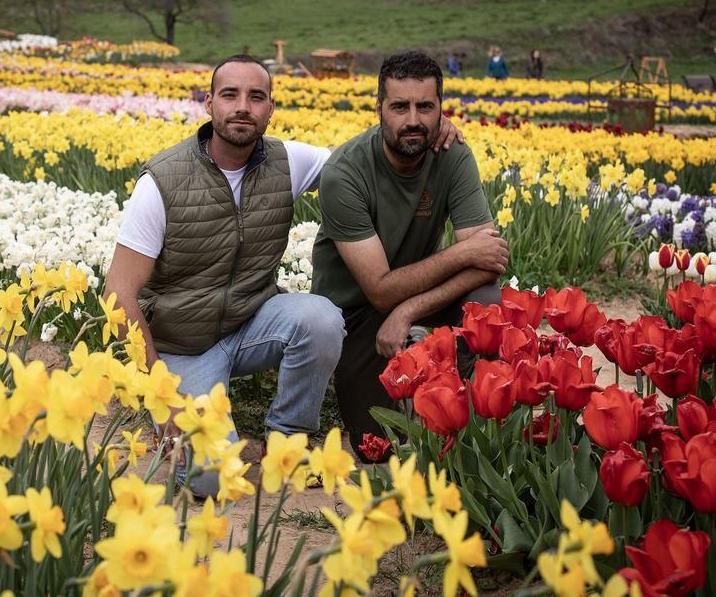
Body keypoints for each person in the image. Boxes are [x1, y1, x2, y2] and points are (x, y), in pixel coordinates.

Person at [104, 54, 464, 495]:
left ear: (271, 108)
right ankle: (208, 429)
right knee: (212, 479)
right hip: (183, 346)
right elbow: (118, 293)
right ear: (208, 103)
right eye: (230, 95)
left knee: (321, 318)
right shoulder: (161, 182)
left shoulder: (287, 161)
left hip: (250, 323)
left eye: (256, 97)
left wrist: (424, 131)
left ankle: (286, 444)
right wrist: (160, 397)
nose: (243, 107)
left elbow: (362, 163)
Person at [310, 51, 507, 463]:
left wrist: (409, 311)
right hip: (355, 317)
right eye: (400, 106)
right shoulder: (345, 173)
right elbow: (380, 293)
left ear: (441, 111)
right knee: (382, 450)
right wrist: (463, 251)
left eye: (425, 106)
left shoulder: (452, 155)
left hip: (417, 298)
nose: (413, 119)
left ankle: (474, 407)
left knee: (487, 300)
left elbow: (487, 260)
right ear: (379, 108)